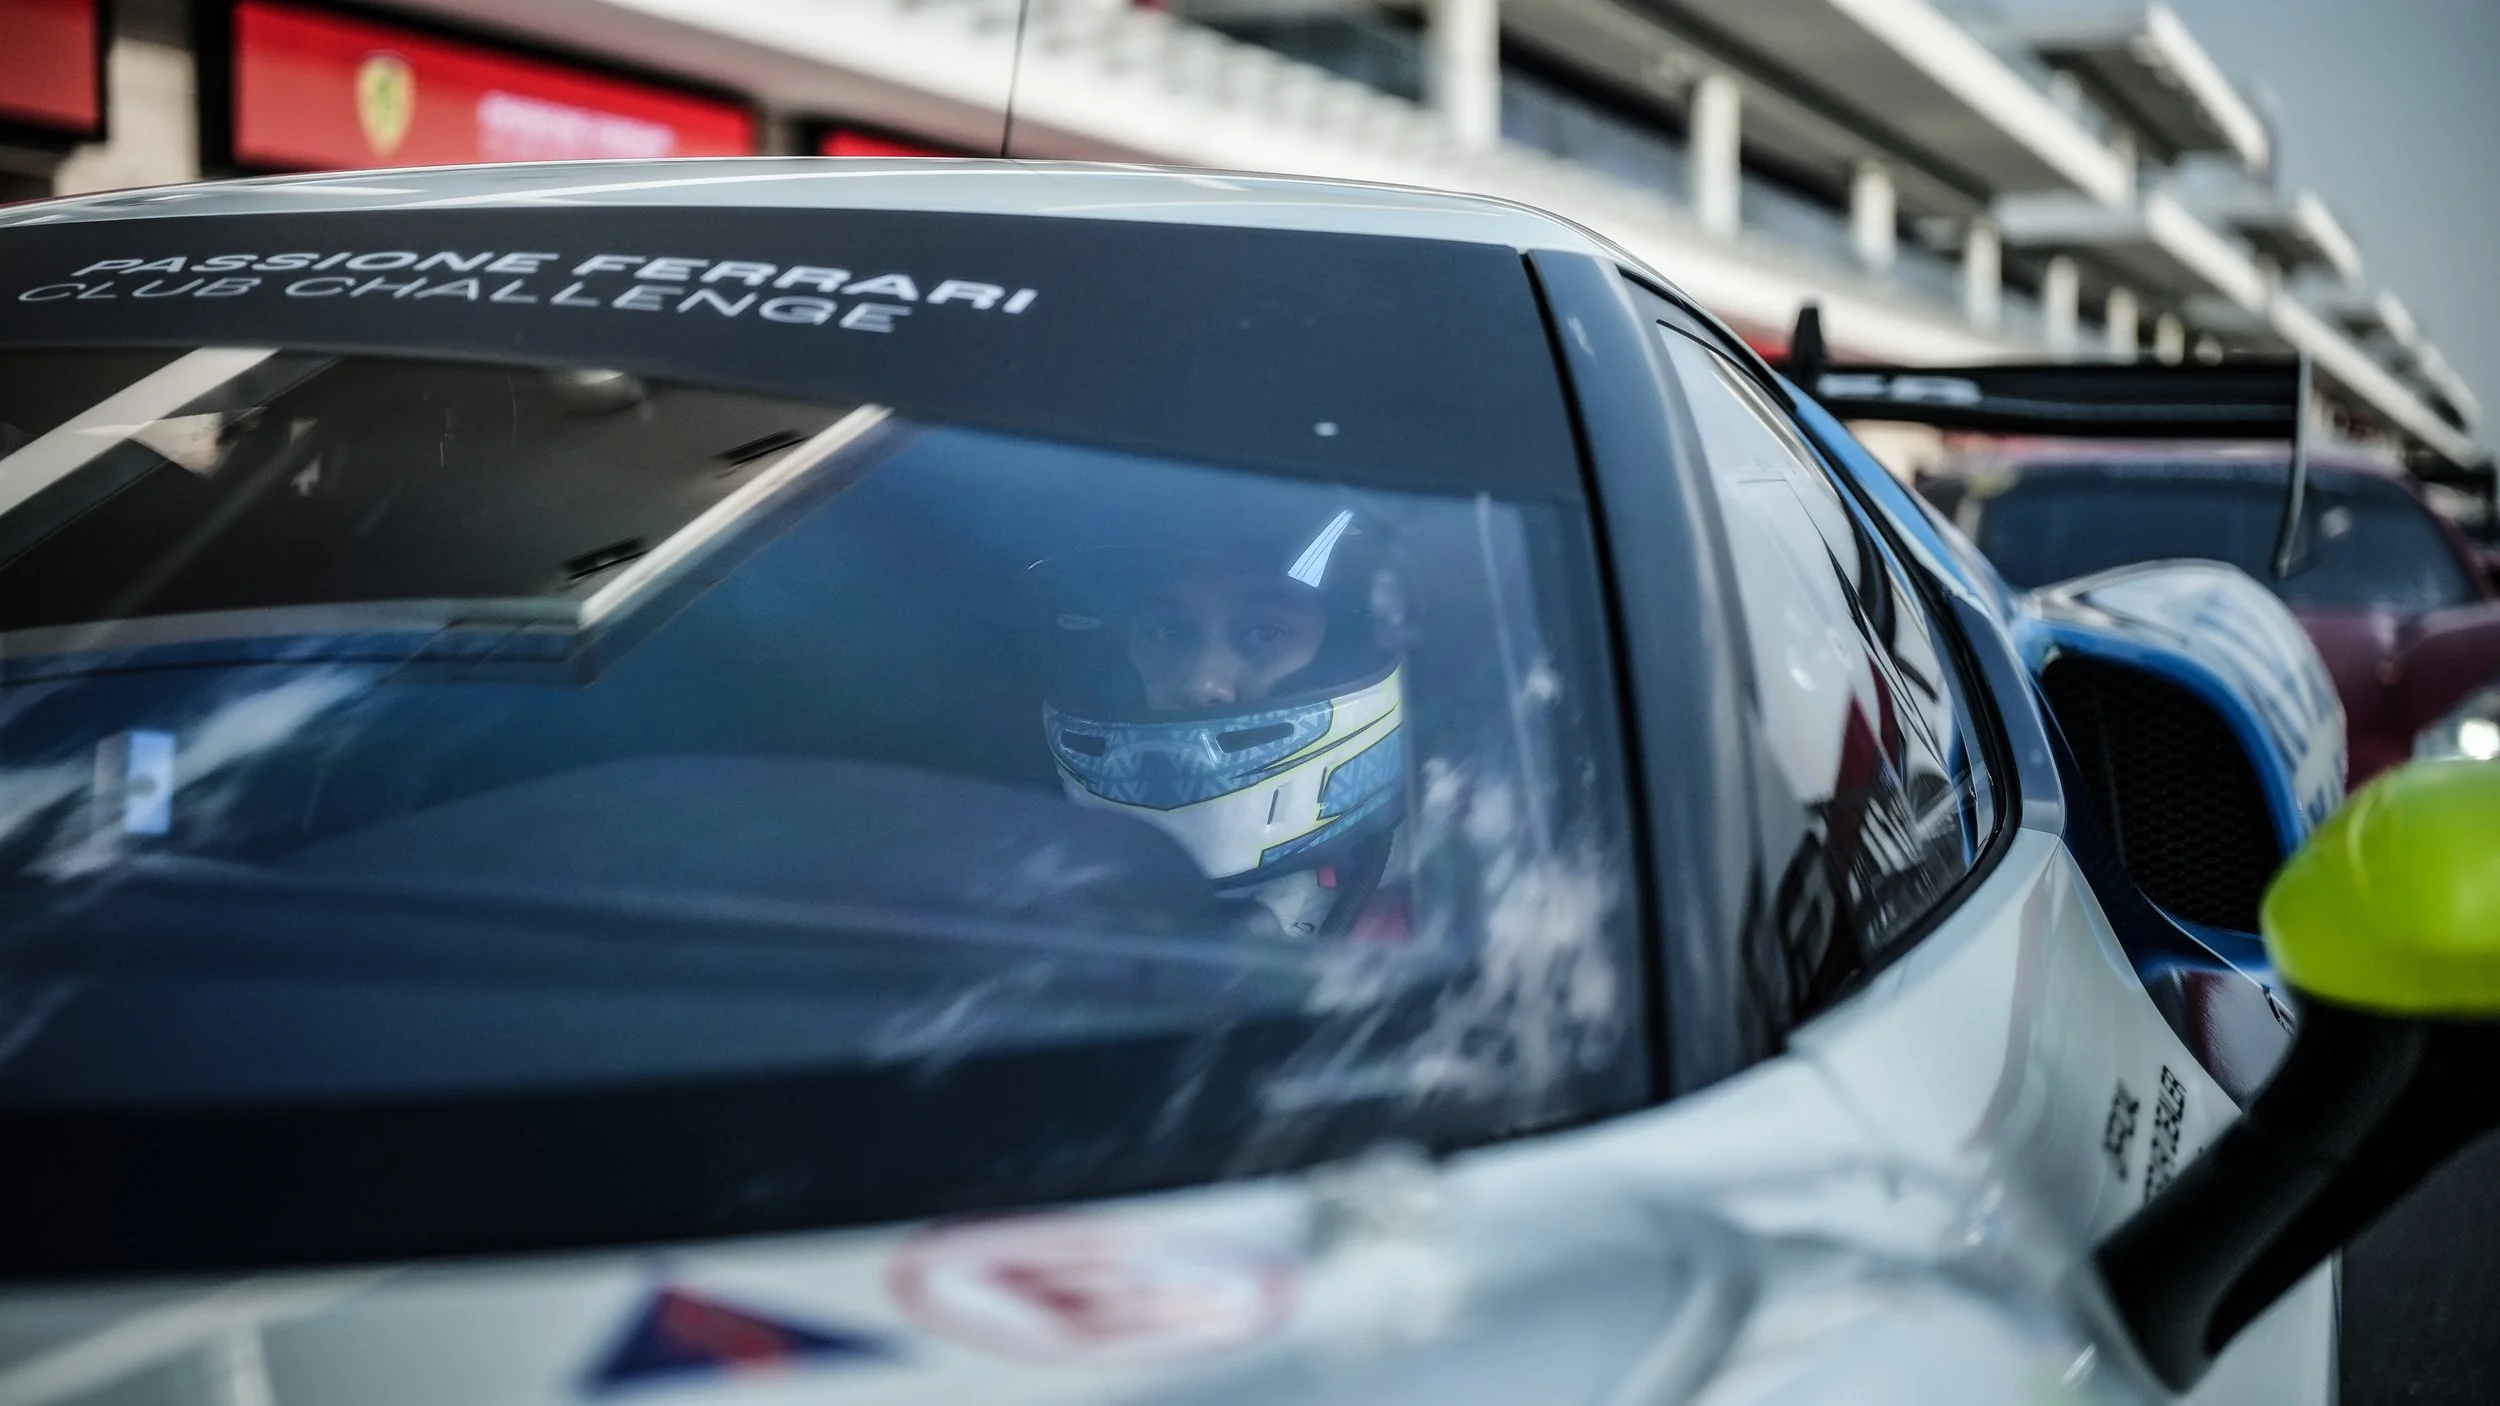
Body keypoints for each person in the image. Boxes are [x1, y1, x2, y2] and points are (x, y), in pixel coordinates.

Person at [1032, 505, 1409, 941]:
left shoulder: (1443, 911)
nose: (1203, 685)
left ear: (1342, 656)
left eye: (1265, 633)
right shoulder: (1032, 898)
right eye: (1169, 633)